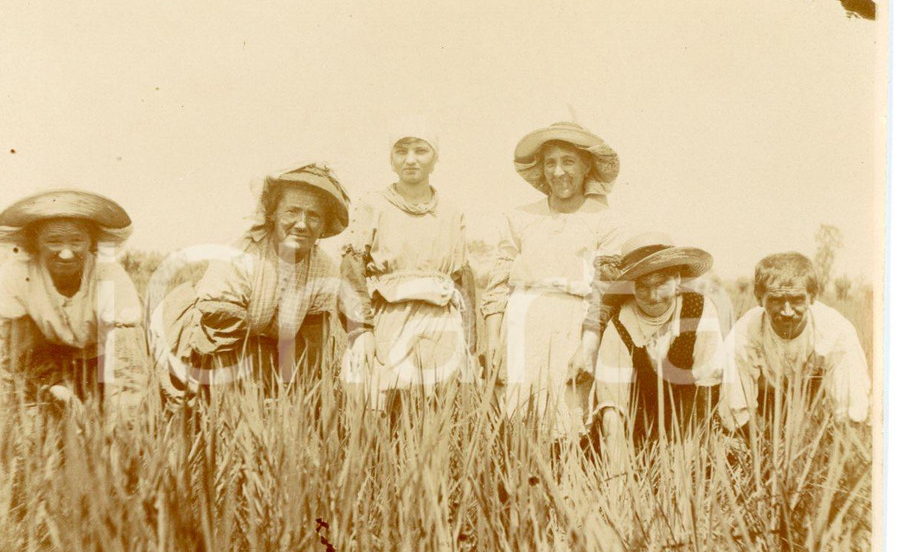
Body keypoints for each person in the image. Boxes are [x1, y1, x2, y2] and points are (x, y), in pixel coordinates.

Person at [151, 163, 350, 406]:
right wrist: (237, 407)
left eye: (314, 215)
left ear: (324, 225)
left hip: (261, 346)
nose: (302, 224)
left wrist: (290, 402)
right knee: (199, 411)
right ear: (273, 214)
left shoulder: (324, 269)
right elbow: (217, 347)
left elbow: (308, 353)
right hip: (200, 343)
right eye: (292, 211)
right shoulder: (241, 255)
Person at [481, 121, 625, 440]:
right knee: (517, 424)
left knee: (568, 425)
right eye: (550, 162)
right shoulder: (520, 217)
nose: (558, 172)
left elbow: (605, 290)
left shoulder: (604, 220)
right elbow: (498, 283)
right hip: (522, 324)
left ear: (586, 166)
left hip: (575, 326)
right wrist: (493, 341)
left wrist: (588, 346)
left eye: (568, 161)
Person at [338, 123, 475, 411]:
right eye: (401, 151)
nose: (410, 159)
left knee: (437, 408)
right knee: (380, 405)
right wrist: (360, 330)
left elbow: (464, 282)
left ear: (435, 159)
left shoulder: (451, 212)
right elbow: (351, 270)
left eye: (420, 151)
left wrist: (470, 344)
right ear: (391, 159)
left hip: (441, 321)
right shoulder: (373, 205)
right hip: (390, 317)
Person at [0, 189, 145, 414]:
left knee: (113, 415)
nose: (66, 253)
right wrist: (55, 386)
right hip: (48, 357)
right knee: (36, 413)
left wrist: (123, 417)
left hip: (101, 360)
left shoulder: (109, 275)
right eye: (53, 241)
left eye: (77, 241)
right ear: (35, 243)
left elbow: (126, 358)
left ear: (91, 242)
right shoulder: (15, 275)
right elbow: (21, 348)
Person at [594, 232, 725, 455]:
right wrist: (617, 463)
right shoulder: (620, 323)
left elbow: (709, 381)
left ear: (677, 278)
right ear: (630, 287)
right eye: (642, 286)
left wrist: (689, 452)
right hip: (639, 422)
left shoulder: (699, 309)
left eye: (662, 283)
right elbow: (612, 404)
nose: (653, 296)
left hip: (692, 414)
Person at [719, 252, 870, 433]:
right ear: (759, 298)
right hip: (767, 407)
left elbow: (853, 408)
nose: (787, 312)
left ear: (812, 296)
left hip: (816, 405)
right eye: (776, 300)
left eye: (797, 299)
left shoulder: (837, 331)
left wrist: (836, 441)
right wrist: (765, 445)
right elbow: (736, 410)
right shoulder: (743, 335)